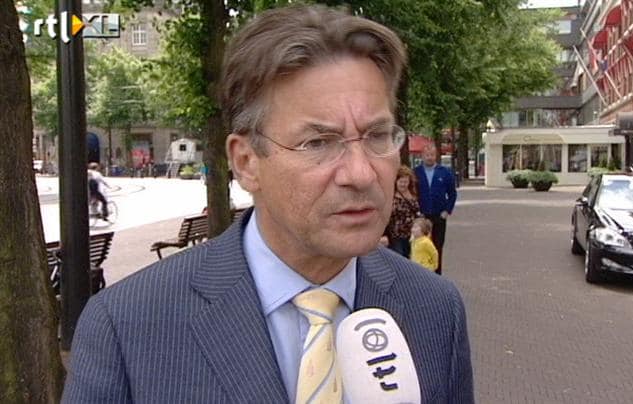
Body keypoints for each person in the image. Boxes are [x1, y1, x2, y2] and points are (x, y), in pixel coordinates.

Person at [63, 5, 473, 403]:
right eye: (318, 142)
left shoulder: (435, 309)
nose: (361, 173)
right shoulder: (127, 325)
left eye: (377, 136)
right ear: (246, 162)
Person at [414, 144, 457, 275]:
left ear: (436, 156)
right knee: (421, 245)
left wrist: (447, 211)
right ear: (422, 156)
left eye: (432, 155)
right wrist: (416, 211)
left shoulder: (444, 172)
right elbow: (412, 192)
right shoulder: (416, 173)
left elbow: (452, 193)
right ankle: (421, 274)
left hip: (439, 216)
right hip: (422, 216)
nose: (430, 157)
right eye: (427, 155)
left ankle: (437, 276)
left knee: (437, 246)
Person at [381, 165, 420, 258]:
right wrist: (384, 234)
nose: (403, 184)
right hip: (395, 236)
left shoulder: (413, 194)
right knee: (399, 259)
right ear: (396, 182)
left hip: (412, 235)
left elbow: (417, 213)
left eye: (405, 182)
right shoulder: (390, 196)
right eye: (401, 182)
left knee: (411, 259)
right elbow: (385, 217)